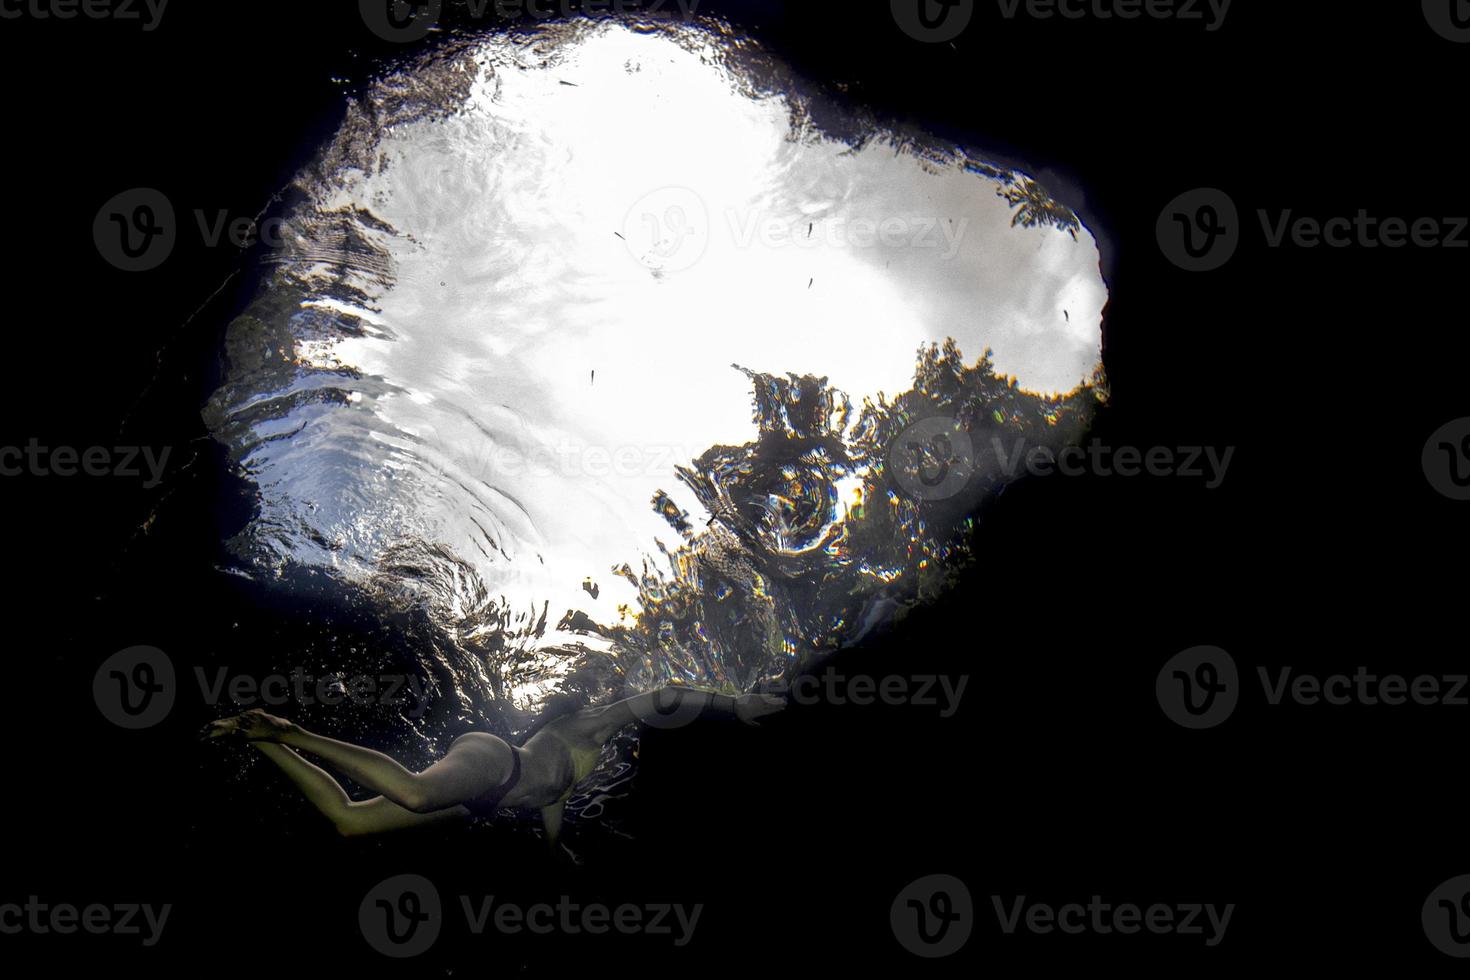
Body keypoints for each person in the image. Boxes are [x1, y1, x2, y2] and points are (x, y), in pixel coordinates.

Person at [202, 688, 785, 849]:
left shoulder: (569, 781)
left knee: (348, 822)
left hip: (480, 800)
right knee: (412, 794)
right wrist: (735, 705)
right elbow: (660, 694)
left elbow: (550, 815)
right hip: (494, 759)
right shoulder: (587, 726)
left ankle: (262, 743)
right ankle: (291, 731)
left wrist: (560, 857)